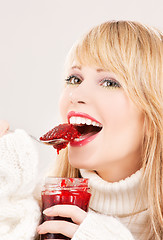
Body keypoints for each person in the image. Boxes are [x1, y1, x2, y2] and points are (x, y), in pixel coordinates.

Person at [1, 20, 163, 240]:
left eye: (109, 82)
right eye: (74, 79)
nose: (74, 95)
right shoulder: (27, 213)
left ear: (153, 120)